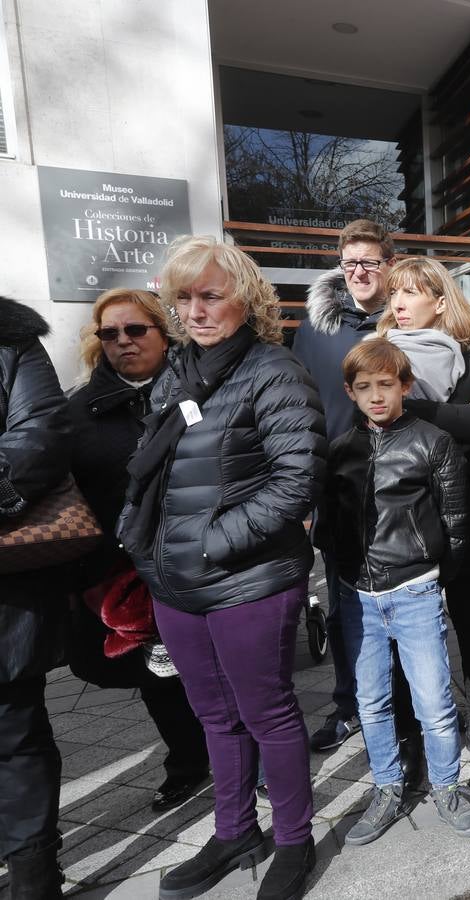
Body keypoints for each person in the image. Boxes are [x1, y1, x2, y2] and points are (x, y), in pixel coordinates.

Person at [117, 237, 326, 900]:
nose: (197, 309)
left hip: (248, 580)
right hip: (176, 582)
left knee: (267, 712)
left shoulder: (275, 371)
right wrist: (150, 547)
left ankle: (294, 838)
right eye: (184, 297)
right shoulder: (177, 370)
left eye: (211, 294)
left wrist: (212, 542)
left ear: (246, 297)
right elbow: (156, 469)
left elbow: (298, 482)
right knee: (214, 716)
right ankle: (235, 830)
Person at [321, 339, 470, 845]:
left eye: (386, 386)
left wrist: (436, 570)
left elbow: (456, 519)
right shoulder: (342, 449)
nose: (376, 396)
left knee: (432, 700)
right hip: (359, 596)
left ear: (405, 386)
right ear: (350, 391)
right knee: (371, 702)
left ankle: (446, 785)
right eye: (364, 387)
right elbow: (331, 521)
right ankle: (388, 786)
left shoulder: (431, 441)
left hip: (414, 589)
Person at [66, 289, 209, 812]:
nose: (123, 341)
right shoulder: (78, 410)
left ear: (162, 332)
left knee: (225, 665)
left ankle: (247, 761)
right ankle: (188, 763)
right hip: (131, 571)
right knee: (160, 675)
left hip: (205, 556)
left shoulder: (201, 386)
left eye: (135, 330)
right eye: (110, 333)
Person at [376, 258, 470, 771]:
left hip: (466, 516)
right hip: (404, 518)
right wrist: (456, 417)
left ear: (440, 300)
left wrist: (418, 412)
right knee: (408, 631)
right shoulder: (378, 357)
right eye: (394, 295)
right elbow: (372, 420)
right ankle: (415, 732)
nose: (399, 305)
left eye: (410, 293)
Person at [295, 218, 393, 752]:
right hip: (339, 489)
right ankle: (349, 703)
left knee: (415, 602)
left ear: (389, 266)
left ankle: (411, 703)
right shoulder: (315, 330)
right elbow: (299, 410)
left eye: (369, 261)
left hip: (404, 487)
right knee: (342, 603)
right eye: (350, 261)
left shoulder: (407, 320)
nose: (358, 271)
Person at [0, 297, 71, 900]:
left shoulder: (12, 340)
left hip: (3, 571)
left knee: (12, 728)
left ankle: (33, 872)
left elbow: (41, 436)